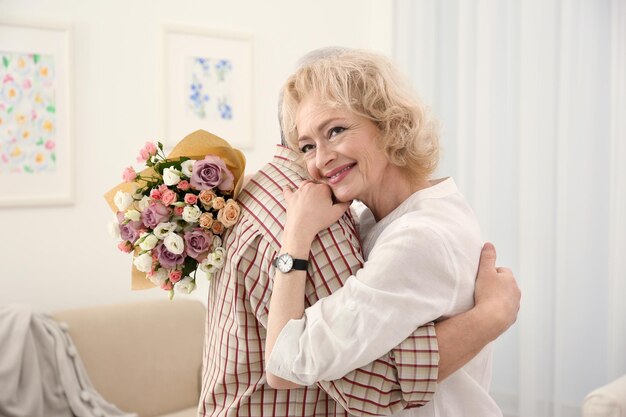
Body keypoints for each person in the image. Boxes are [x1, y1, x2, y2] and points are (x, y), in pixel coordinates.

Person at [264, 49, 512, 417]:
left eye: (336, 131)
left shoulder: (418, 237)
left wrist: (295, 236)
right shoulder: (403, 212)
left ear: (389, 124)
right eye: (307, 146)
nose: (321, 159)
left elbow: (286, 363)